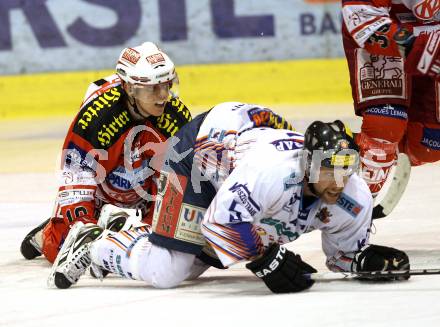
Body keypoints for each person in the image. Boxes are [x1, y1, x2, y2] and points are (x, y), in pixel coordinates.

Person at [48, 102, 410, 293]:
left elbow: (341, 255)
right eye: (331, 169)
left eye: (348, 169)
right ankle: (95, 243)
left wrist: (360, 261)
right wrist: (265, 257)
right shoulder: (270, 174)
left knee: (193, 265)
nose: (340, 181)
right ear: (309, 165)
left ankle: (129, 236)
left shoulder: (353, 195)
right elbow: (222, 222)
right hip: (197, 156)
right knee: (168, 271)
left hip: (236, 155)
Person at [20, 42, 192, 263]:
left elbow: (181, 182)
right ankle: (49, 233)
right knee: (65, 249)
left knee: (160, 247)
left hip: (145, 186)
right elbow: (75, 176)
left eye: (167, 85)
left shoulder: (176, 117)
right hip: (100, 186)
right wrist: (83, 225)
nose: (164, 96)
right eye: (153, 88)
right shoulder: (97, 117)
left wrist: (154, 233)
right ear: (130, 89)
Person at [341, 0, 440, 196]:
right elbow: (364, 17)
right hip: (386, 32)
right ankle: (357, 209)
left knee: (429, 145)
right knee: (384, 126)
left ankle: (348, 151)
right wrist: (416, 48)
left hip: (434, 40)